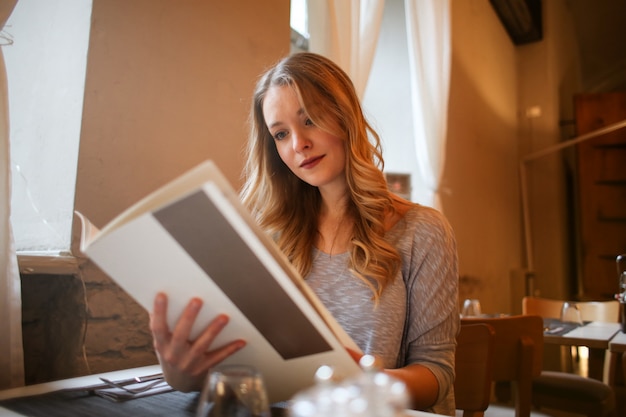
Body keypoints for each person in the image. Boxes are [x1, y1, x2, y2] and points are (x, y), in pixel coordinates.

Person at [149, 52, 459, 416]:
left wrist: (362, 378)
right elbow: (240, 370)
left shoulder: (422, 230)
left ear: (345, 118)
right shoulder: (266, 235)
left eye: (309, 120)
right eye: (281, 134)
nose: (297, 144)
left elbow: (436, 373)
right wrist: (182, 375)